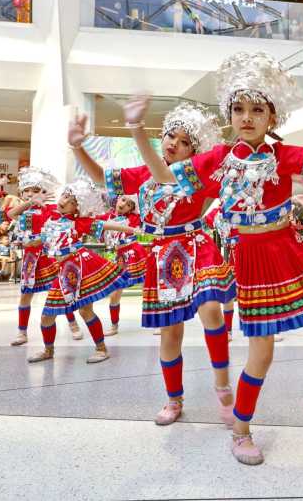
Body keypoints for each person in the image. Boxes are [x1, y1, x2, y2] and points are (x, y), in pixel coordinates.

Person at [122, 51, 303, 465]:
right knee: (262, 353)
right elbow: (167, 175)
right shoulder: (218, 159)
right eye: (238, 109)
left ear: (272, 117)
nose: (246, 116)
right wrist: (136, 129)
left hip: (294, 249)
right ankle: (240, 431)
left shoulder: (286, 155)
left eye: (257, 109)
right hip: (254, 258)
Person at [70, 102, 236, 427]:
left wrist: (136, 128)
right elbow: (101, 177)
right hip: (162, 255)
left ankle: (223, 388)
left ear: (195, 149)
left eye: (184, 141)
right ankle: (174, 399)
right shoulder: (146, 171)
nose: (173, 143)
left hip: (196, 245)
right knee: (170, 333)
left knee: (212, 312)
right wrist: (76, 146)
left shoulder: (198, 174)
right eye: (170, 135)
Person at [26, 178, 135, 364]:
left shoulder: (79, 222)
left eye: (71, 200)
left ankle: (101, 349)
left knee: (85, 311)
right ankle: (48, 350)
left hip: (81, 266)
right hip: (63, 270)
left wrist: (133, 228)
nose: (64, 200)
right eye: (65, 196)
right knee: (47, 315)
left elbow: (107, 225)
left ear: (77, 208)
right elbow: (32, 231)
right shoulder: (50, 217)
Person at [0, 170, 84, 346]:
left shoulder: (50, 209)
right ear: (22, 193)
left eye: (35, 190)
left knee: (61, 293)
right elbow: (9, 215)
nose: (31, 193)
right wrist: (29, 202)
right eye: (27, 190)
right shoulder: (19, 210)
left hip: (50, 257)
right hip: (31, 260)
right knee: (26, 295)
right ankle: (22, 332)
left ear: (43, 192)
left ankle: (73, 324)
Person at [96, 195, 148, 336]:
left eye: (129, 204)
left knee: (147, 289)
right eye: (123, 200)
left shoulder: (134, 218)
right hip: (119, 257)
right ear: (117, 200)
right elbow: (92, 221)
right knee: (114, 294)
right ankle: (114, 326)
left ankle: (158, 324)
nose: (124, 204)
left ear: (132, 209)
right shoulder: (106, 217)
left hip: (136, 253)